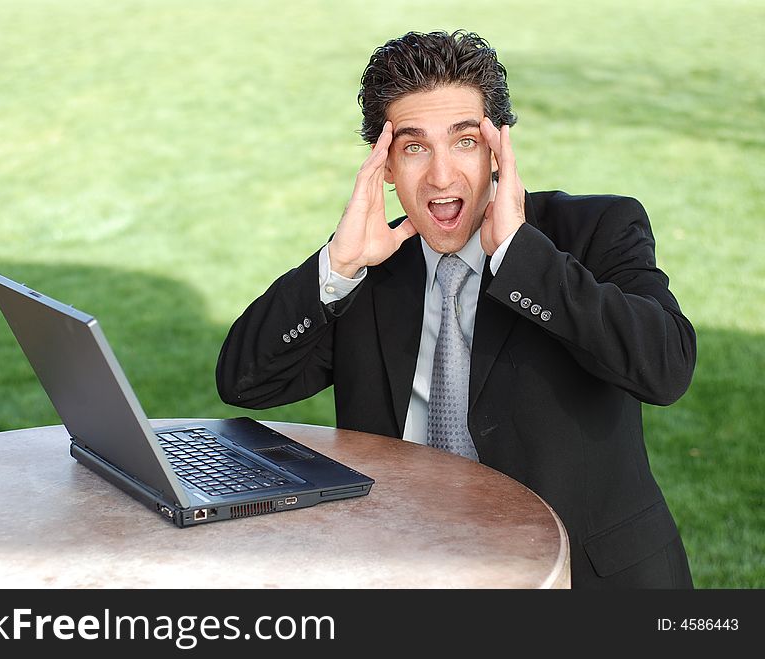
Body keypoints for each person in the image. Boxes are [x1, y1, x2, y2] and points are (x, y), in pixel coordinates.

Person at [215, 30, 695, 589]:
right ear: (386, 167)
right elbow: (246, 383)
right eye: (415, 147)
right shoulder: (372, 262)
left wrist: (520, 257)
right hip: (415, 569)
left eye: (464, 141)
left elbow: (666, 368)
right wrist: (338, 266)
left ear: (498, 148)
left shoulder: (593, 229)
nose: (441, 176)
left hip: (580, 578)